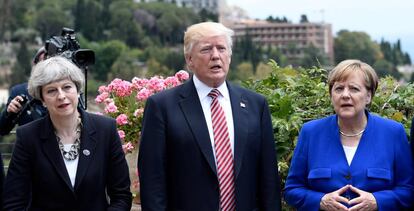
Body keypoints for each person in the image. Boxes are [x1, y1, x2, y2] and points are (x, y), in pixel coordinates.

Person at [138, 21, 282, 211]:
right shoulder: (162, 106)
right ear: (189, 59)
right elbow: (152, 178)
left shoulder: (256, 105)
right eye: (206, 49)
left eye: (221, 48)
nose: (216, 56)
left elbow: (268, 177)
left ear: (229, 56)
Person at [3, 56, 132, 210]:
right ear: (42, 99)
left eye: (67, 87)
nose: (61, 96)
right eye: (51, 90)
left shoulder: (106, 130)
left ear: (77, 90)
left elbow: (121, 196)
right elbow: (13, 203)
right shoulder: (28, 137)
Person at [284, 59, 414, 210]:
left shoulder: (393, 133)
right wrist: (320, 200)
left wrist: (378, 201)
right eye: (339, 89)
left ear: (368, 96)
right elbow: (292, 190)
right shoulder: (311, 132)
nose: (345, 95)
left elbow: (408, 190)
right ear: (331, 95)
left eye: (354, 89)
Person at [0, 47, 48, 136]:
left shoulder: (65, 93)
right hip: (29, 148)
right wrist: (8, 112)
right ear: (35, 65)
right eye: (43, 63)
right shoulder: (20, 91)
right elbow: (2, 129)